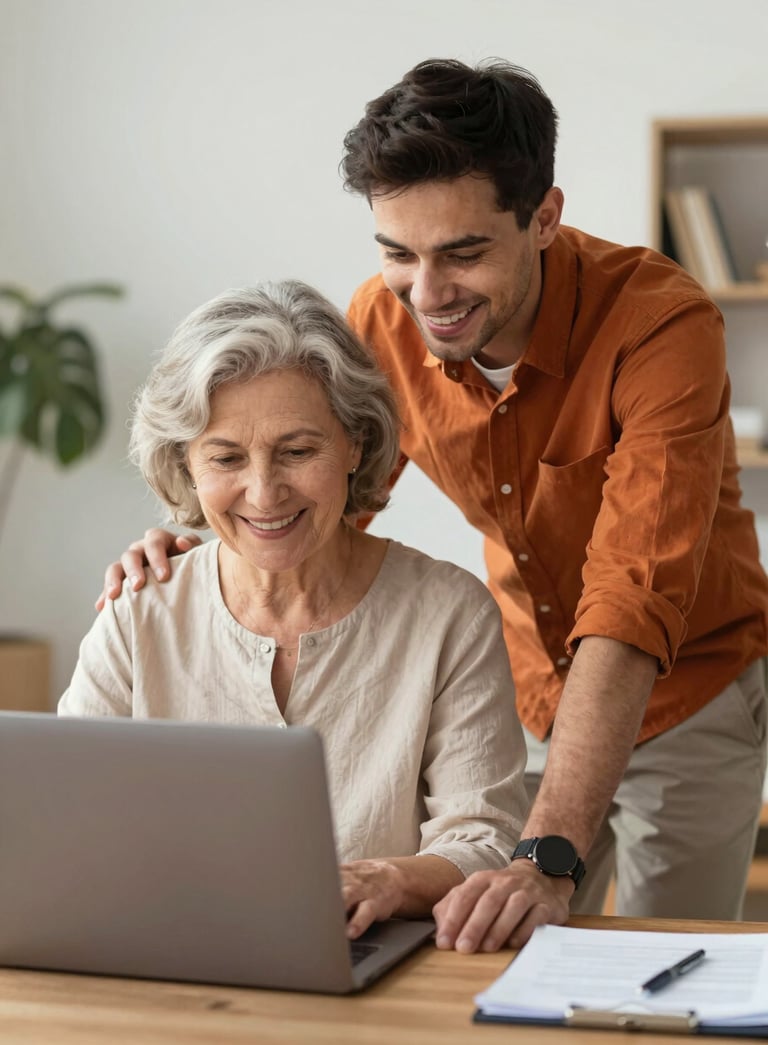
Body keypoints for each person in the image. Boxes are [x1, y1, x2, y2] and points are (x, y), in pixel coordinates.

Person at [100, 59, 768, 951]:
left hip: (686, 692)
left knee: (654, 976)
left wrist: (547, 853)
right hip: (535, 690)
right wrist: (201, 542)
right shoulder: (384, 323)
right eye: (399, 254)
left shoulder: (661, 326)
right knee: (502, 957)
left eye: (463, 253)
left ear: (544, 217)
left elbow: (632, 594)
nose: (428, 292)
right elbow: (324, 496)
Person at [62, 278, 529, 941]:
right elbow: (67, 818)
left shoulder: (450, 614)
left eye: (298, 451)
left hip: (368, 960)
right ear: (186, 465)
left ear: (356, 444)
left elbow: (483, 840)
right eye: (226, 457)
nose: (264, 493)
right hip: (168, 952)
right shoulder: (139, 612)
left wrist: (386, 880)